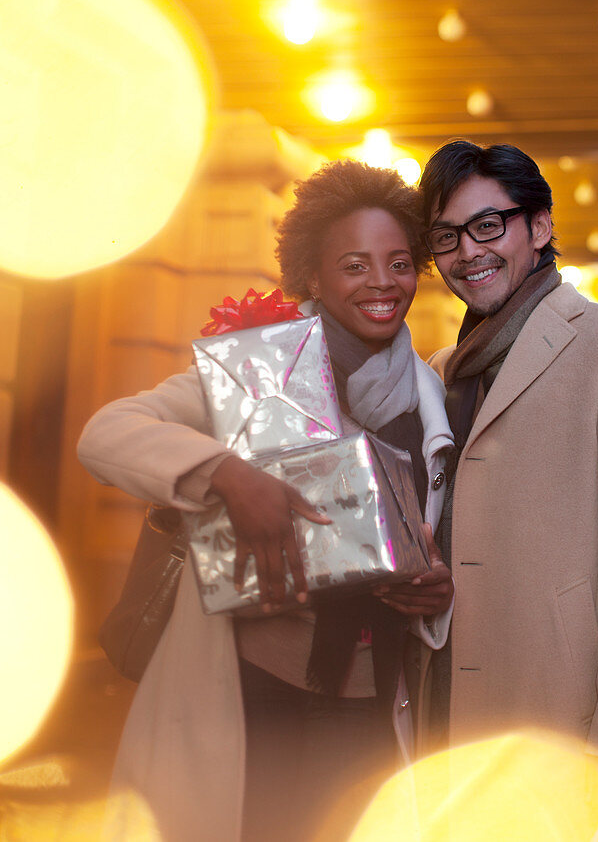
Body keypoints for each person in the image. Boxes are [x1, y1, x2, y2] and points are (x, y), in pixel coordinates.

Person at [77, 159, 454, 842]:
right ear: (313, 274)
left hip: (374, 703)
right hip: (252, 689)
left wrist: (435, 589)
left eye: (399, 263)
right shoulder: (257, 368)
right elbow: (106, 435)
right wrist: (225, 472)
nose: (382, 284)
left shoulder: (430, 397)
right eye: (355, 265)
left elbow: (428, 535)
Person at [400, 139, 598, 826]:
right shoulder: (439, 369)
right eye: (446, 236)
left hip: (565, 727)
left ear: (541, 226)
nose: (469, 251)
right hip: (444, 718)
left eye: (488, 225)